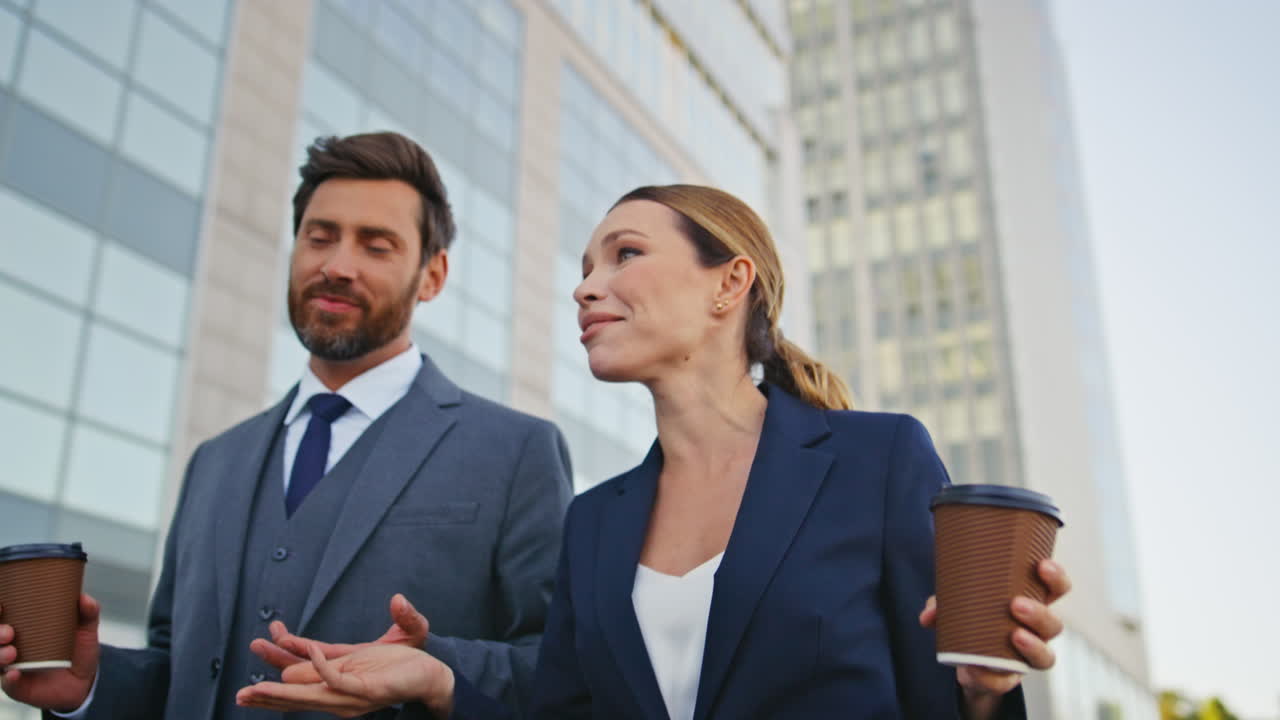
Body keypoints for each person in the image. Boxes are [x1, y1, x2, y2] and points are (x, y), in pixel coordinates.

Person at [235, 184, 1071, 719]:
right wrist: (439, 683)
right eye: (587, 265)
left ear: (728, 282)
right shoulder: (598, 522)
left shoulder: (879, 459)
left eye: (625, 254)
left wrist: (986, 692)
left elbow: (951, 694)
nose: (586, 285)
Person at [0, 132, 573, 720]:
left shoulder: (517, 453)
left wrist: (436, 675)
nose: (336, 266)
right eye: (318, 237)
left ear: (432, 275)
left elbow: (562, 673)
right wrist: (91, 685)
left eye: (376, 246)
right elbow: (180, 668)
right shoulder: (215, 460)